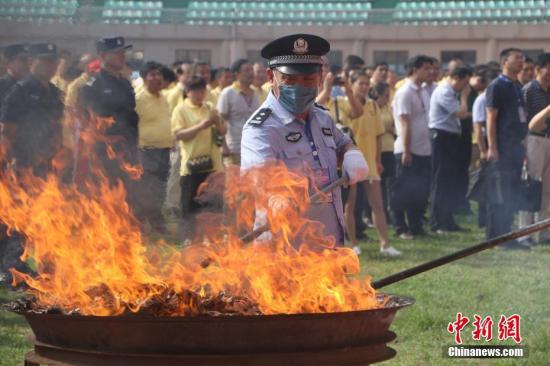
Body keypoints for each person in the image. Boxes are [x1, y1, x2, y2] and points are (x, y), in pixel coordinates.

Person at [241, 33, 369, 247]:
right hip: (285, 249)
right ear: (271, 77)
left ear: (320, 77)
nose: (299, 87)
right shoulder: (261, 128)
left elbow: (343, 142)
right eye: (290, 80)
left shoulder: (321, 117)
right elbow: (259, 179)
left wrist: (351, 153)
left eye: (308, 79)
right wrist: (275, 198)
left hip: (328, 242)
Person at [78, 37, 140, 213]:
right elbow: (81, 117)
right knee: (106, 195)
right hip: (105, 151)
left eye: (123, 53)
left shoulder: (125, 83)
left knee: (129, 195)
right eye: (117, 53)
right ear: (103, 55)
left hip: (128, 148)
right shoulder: (93, 83)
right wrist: (102, 138)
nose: (122, 56)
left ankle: (125, 234)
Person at [171, 75, 225, 240]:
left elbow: (222, 133)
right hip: (192, 166)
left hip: (213, 165)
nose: (200, 94)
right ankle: (190, 239)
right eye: (196, 91)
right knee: (190, 205)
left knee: (213, 204)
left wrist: (217, 122)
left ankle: (212, 237)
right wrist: (200, 126)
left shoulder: (210, 108)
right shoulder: (181, 110)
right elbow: (179, 135)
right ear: (188, 92)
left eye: (203, 91)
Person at [486, 48, 529, 249]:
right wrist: (492, 146)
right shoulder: (497, 86)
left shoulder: (517, 85)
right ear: (505, 61)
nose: (521, 61)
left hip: (516, 145)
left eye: (522, 58)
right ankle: (496, 237)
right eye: (517, 58)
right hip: (502, 145)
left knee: (512, 190)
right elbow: (491, 118)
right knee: (500, 191)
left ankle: (508, 235)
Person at [0, 42, 63, 177]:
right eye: (45, 60)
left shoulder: (55, 92)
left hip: (48, 161)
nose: (51, 65)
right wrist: (10, 159)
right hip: (23, 162)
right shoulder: (20, 91)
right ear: (31, 62)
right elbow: (7, 131)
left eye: (53, 61)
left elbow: (58, 124)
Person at [391, 55, 433, 239]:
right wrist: (407, 151)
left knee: (420, 191)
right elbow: (405, 122)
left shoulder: (423, 90)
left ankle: (416, 225)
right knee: (403, 192)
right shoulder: (405, 92)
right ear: (415, 69)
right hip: (407, 150)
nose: (430, 72)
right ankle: (401, 227)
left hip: (424, 149)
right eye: (425, 68)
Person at [428, 66, 472, 233]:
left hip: (450, 138)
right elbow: (461, 113)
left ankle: (447, 219)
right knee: (440, 181)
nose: (465, 87)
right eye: (465, 82)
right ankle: (436, 221)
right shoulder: (444, 91)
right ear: (456, 78)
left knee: (449, 181)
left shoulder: (450, 92)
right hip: (441, 138)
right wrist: (465, 97)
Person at [135, 61, 173, 233]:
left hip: (164, 150)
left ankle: (157, 223)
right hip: (146, 151)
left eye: (159, 74)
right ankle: (141, 224)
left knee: (159, 189)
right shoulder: (139, 99)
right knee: (146, 190)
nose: (158, 78)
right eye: (153, 75)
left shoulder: (163, 98)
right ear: (144, 78)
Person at [519, 53, 550, 244]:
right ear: (539, 69)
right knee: (530, 185)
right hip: (533, 140)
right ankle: (525, 233)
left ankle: (544, 231)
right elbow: (524, 119)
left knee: (548, 188)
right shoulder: (529, 90)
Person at [217, 58, 259, 166]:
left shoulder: (255, 93)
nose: (251, 73)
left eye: (251, 70)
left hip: (253, 147)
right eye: (247, 70)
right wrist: (223, 145)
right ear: (237, 74)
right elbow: (219, 121)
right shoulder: (228, 93)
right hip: (234, 148)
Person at [472, 66, 500, 228]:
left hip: (495, 141)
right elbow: (478, 126)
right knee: (485, 184)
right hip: (486, 142)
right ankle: (483, 219)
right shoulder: (482, 99)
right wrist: (483, 150)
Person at [371, 82, 396, 227]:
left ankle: (387, 214)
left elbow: (392, 126)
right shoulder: (372, 107)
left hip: (389, 148)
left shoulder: (387, 108)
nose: (388, 98)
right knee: (376, 185)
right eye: (385, 95)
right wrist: (384, 128)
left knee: (388, 184)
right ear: (377, 95)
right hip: (376, 151)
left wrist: (386, 128)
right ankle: (371, 215)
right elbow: (376, 128)